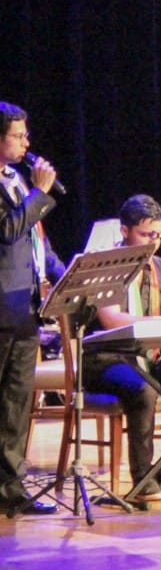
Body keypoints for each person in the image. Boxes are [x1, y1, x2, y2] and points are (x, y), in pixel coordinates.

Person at [79, 195, 161, 500]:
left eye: (159, 235)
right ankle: (142, 481)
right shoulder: (105, 263)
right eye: (146, 235)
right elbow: (111, 319)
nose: (154, 242)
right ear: (124, 231)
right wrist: (160, 320)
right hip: (104, 359)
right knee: (143, 390)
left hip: (146, 357)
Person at [0, 102, 63, 516]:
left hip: (24, 309)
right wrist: (40, 193)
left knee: (16, 404)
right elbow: (6, 231)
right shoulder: (28, 187)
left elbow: (35, 242)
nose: (27, 142)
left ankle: (11, 491)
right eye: (19, 135)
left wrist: (66, 273)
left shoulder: (16, 180)